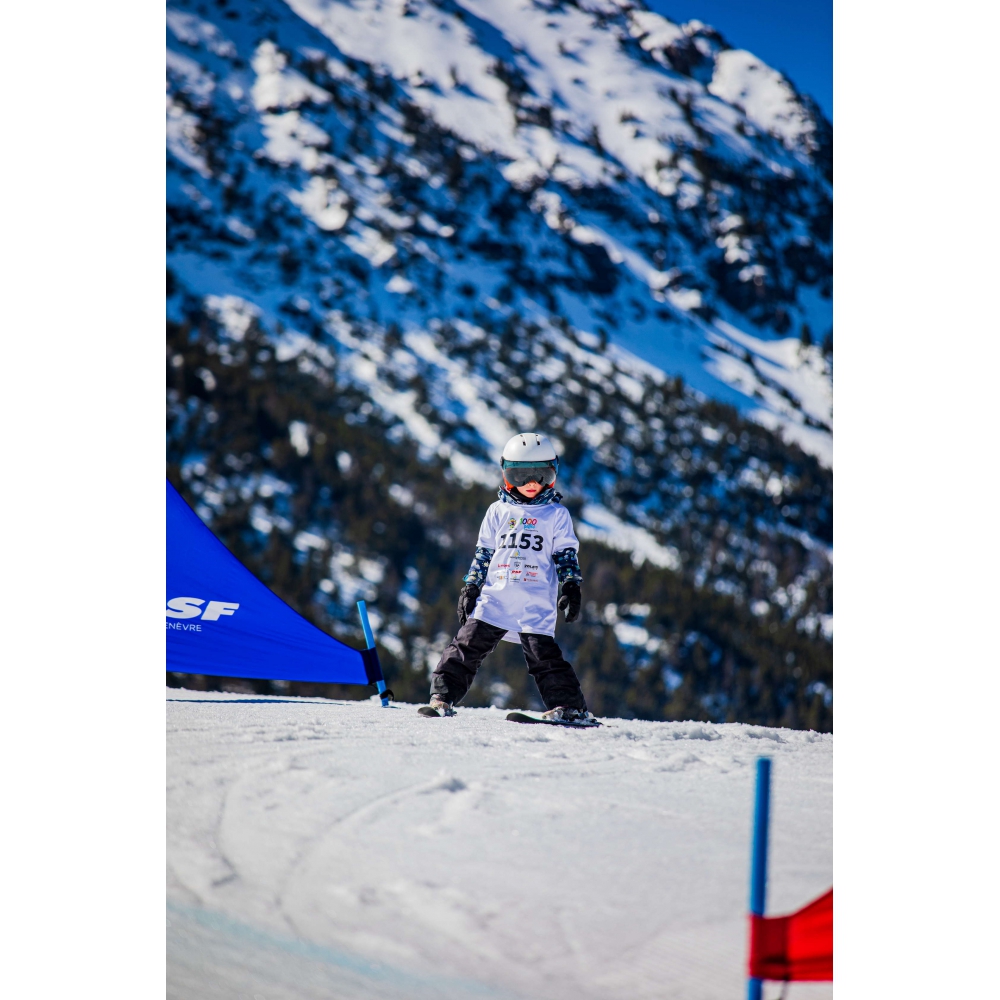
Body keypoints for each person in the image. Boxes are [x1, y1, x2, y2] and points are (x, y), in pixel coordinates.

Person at [422, 432, 594, 723]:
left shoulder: (556, 514)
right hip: (496, 597)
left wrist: (571, 586)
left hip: (534, 600)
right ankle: (442, 697)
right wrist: (471, 587)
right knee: (465, 646)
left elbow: (565, 555)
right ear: (506, 474)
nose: (532, 483)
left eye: (541, 475)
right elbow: (484, 554)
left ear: (553, 474)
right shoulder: (497, 511)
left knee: (542, 656)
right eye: (521, 475)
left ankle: (569, 708)